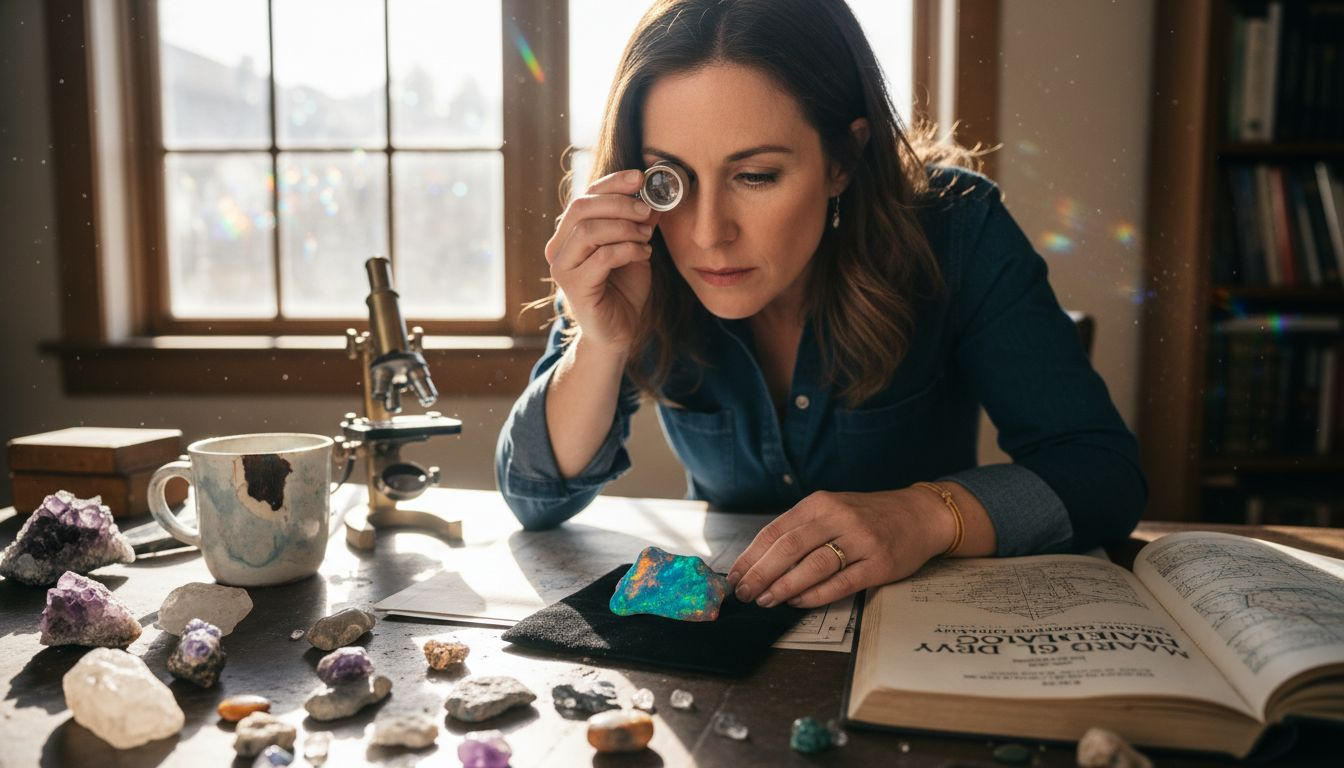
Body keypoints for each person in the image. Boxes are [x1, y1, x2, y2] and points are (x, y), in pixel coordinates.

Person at [495, 0, 1146, 612]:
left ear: (843, 158)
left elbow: (1102, 475)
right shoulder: (638, 250)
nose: (705, 233)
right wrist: (600, 341)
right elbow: (534, 499)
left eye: (755, 176)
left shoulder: (956, 228)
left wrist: (923, 516)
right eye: (671, 179)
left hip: (920, 620)